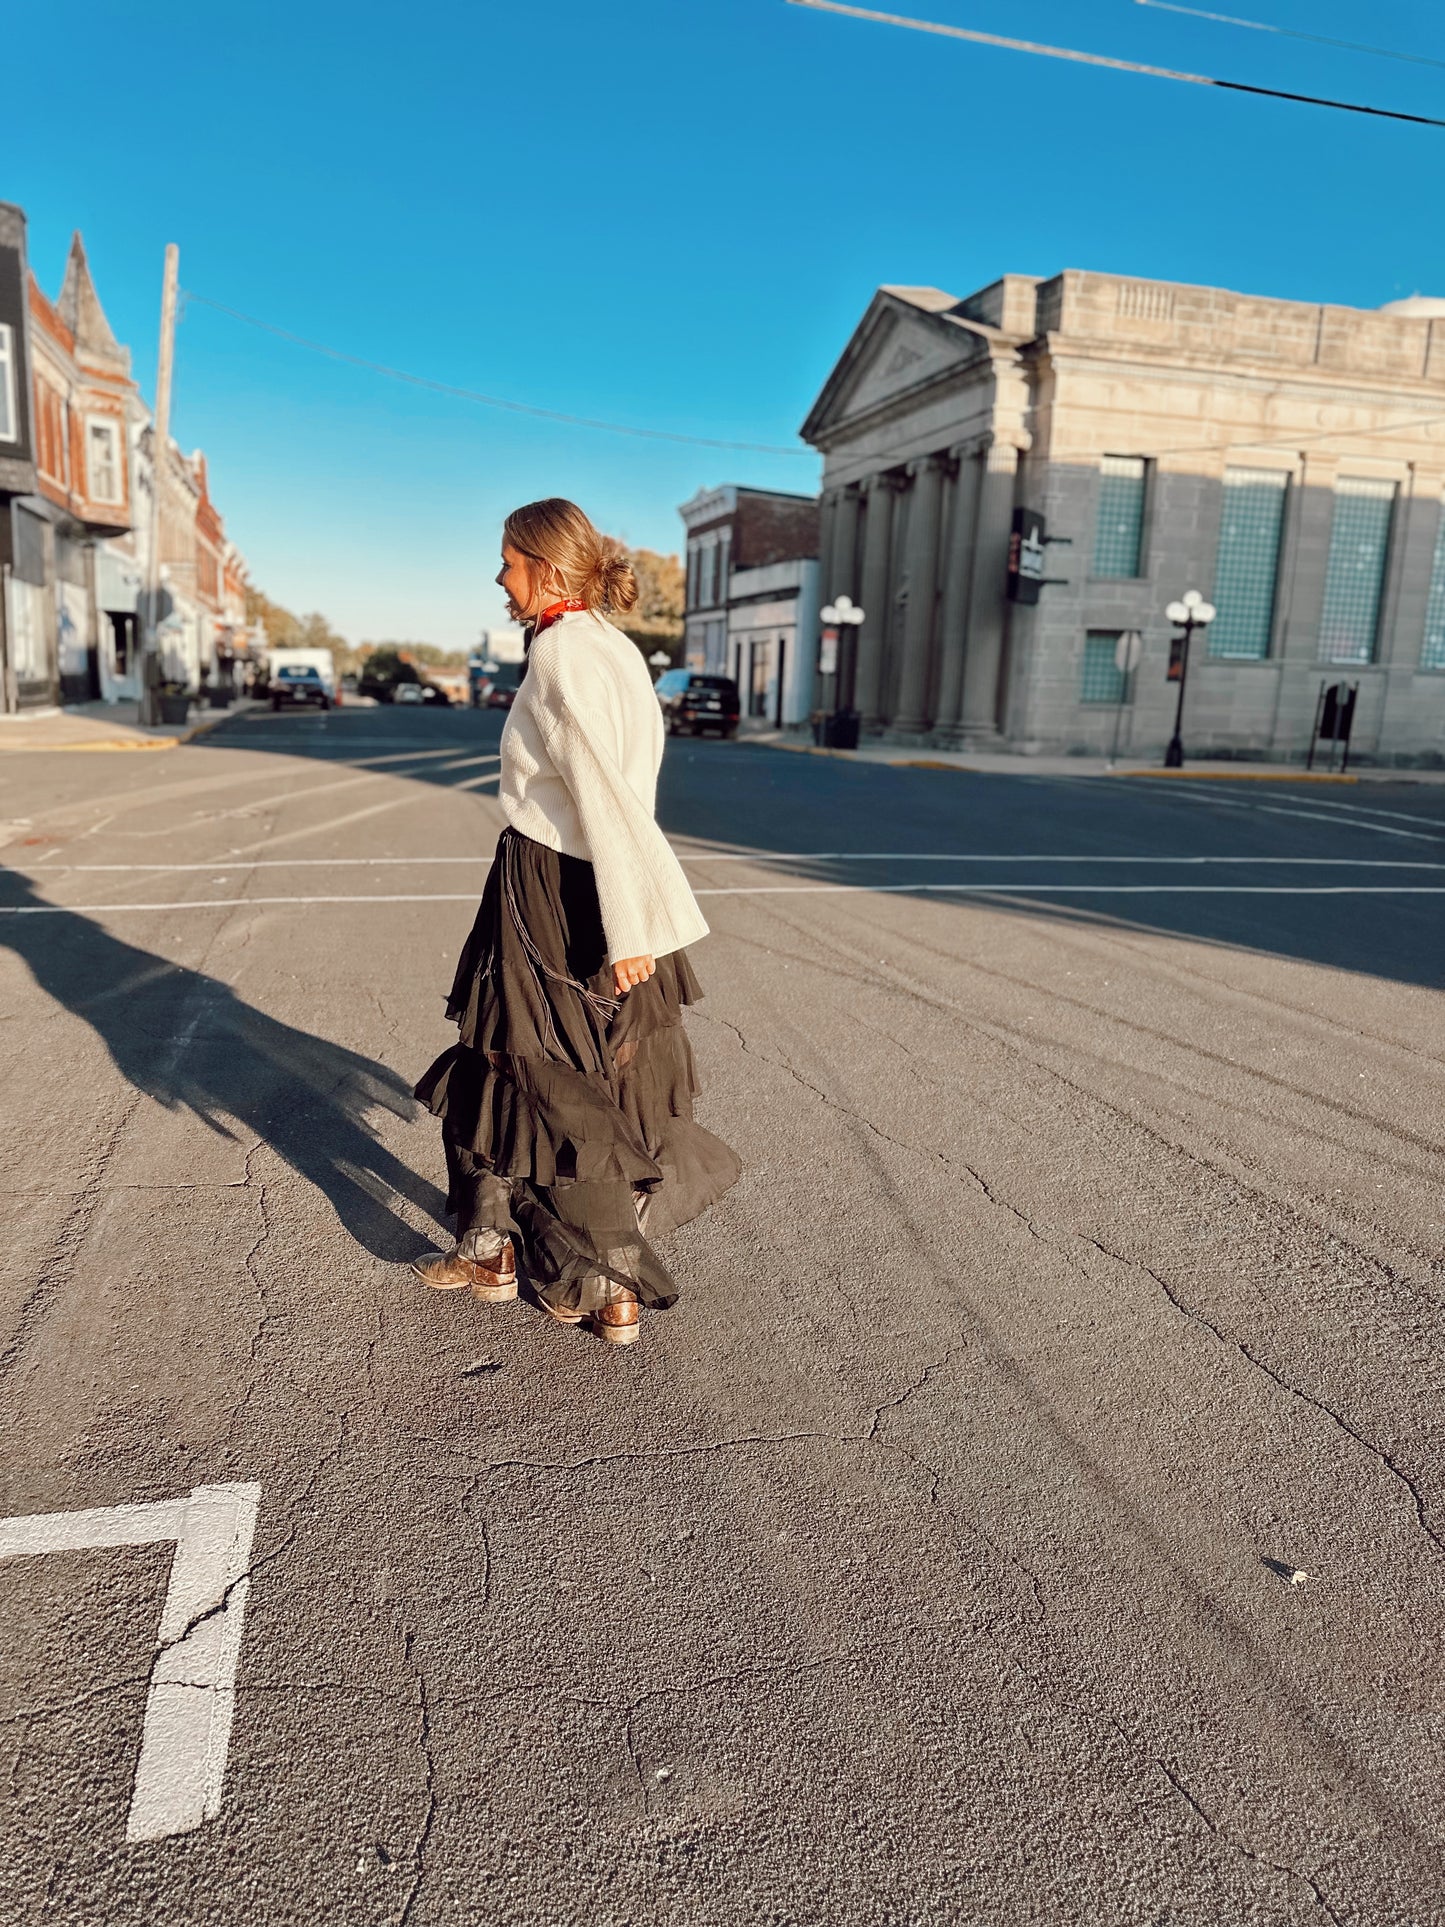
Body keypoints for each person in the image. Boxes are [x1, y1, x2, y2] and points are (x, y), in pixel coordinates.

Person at [411, 498, 740, 1345]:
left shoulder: (562, 651)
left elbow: (607, 793)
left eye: (509, 560)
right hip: (586, 876)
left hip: (555, 882)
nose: (499, 576)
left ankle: (599, 1276)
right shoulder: (608, 645)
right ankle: (496, 1248)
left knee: (537, 1068)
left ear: (547, 567)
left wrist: (631, 928)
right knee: (534, 1061)